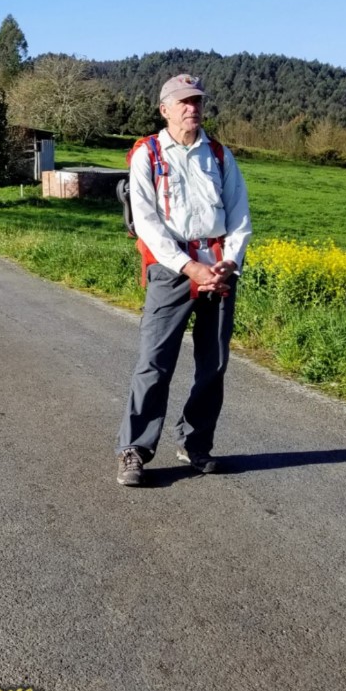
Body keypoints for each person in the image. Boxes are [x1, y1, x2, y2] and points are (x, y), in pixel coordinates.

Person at [117, 74, 252, 487]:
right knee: (154, 362)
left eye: (197, 101)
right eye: (184, 102)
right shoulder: (148, 154)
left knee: (213, 365)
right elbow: (147, 223)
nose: (192, 108)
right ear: (165, 109)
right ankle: (135, 450)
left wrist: (228, 263)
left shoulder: (219, 154)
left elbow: (240, 215)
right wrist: (187, 266)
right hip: (170, 270)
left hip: (217, 269)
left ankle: (195, 444)